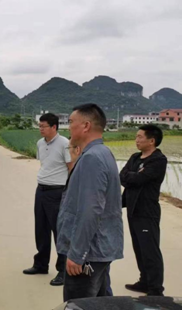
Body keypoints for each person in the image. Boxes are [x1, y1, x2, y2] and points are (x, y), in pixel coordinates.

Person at [57, 104, 123, 301]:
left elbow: (90, 210)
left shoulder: (92, 158)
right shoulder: (102, 152)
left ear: (86, 126)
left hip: (89, 253)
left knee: (80, 303)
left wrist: (77, 254)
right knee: (102, 302)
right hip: (98, 249)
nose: (68, 127)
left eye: (71, 122)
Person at [23, 113, 71, 286]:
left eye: (43, 126)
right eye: (40, 126)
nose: (40, 129)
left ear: (54, 127)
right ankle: (41, 264)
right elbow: (44, 165)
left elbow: (71, 167)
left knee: (59, 231)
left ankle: (63, 270)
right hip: (41, 190)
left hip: (57, 192)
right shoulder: (40, 143)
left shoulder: (64, 143)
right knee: (41, 229)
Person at [120, 124, 167, 296]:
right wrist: (135, 175)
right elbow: (122, 176)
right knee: (139, 248)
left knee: (150, 250)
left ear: (151, 140)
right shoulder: (135, 157)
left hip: (147, 211)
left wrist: (134, 176)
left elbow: (140, 179)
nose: (136, 140)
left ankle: (155, 289)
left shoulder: (158, 160)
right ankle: (144, 282)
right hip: (133, 209)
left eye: (140, 137)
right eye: (136, 136)